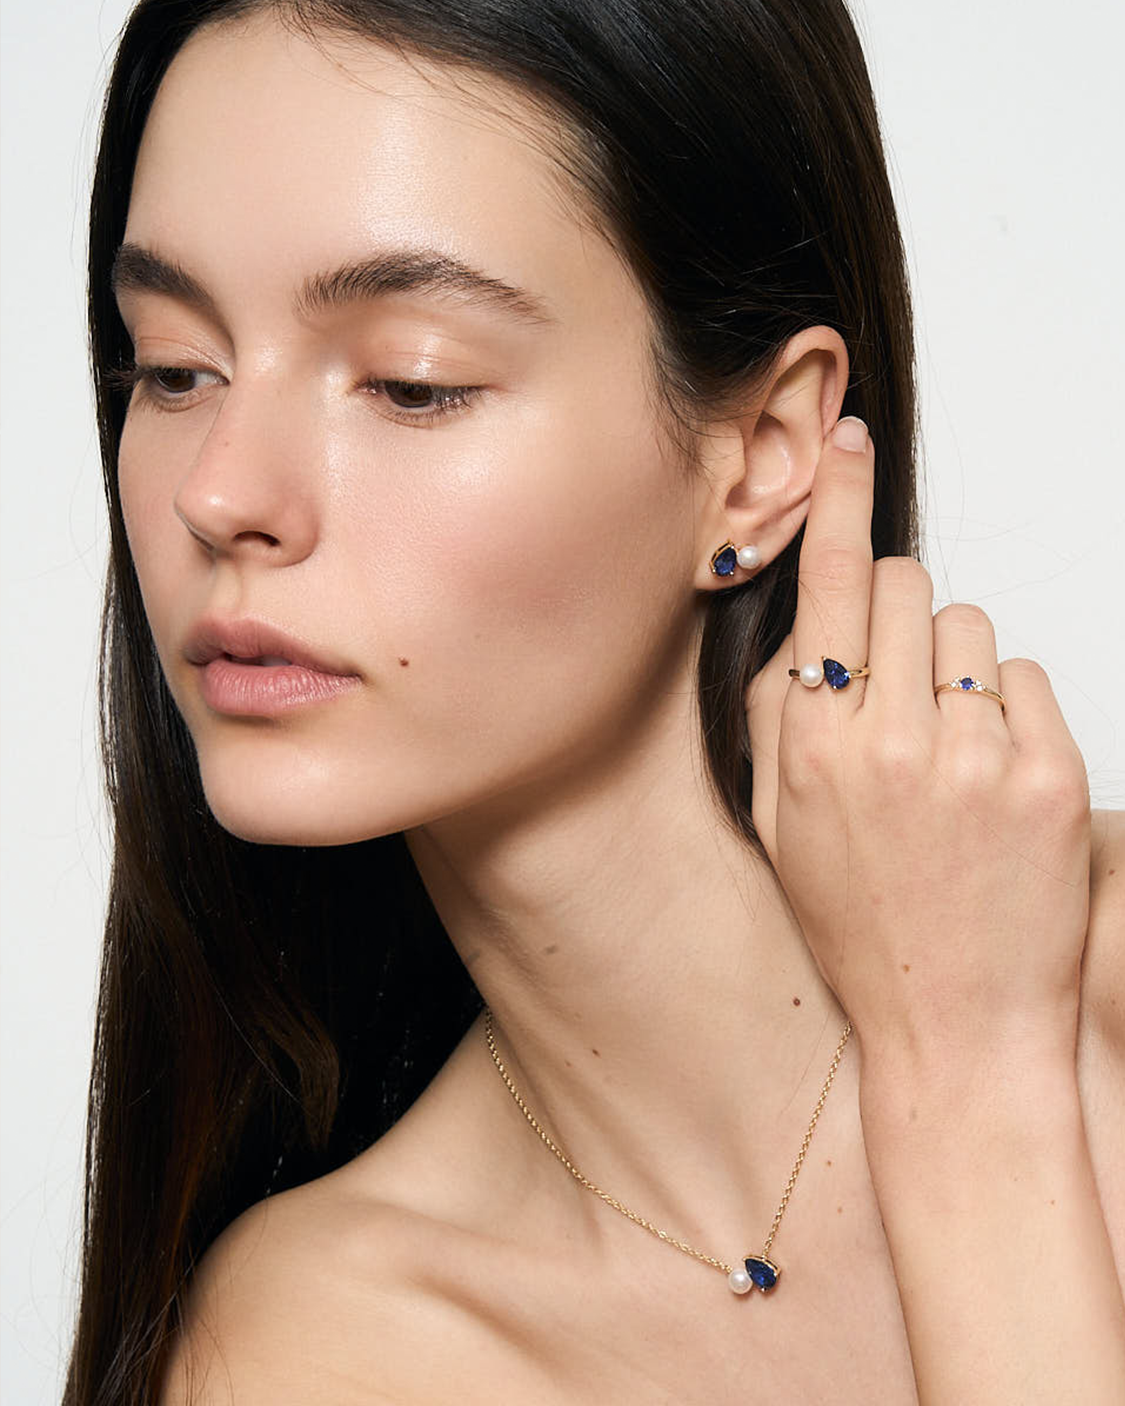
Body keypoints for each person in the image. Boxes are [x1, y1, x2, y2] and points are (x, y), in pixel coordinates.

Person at [64, 0, 1125, 1402]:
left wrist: (978, 1079)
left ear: (758, 456)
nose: (218, 492)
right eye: (177, 368)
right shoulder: (313, 1345)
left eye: (409, 380)